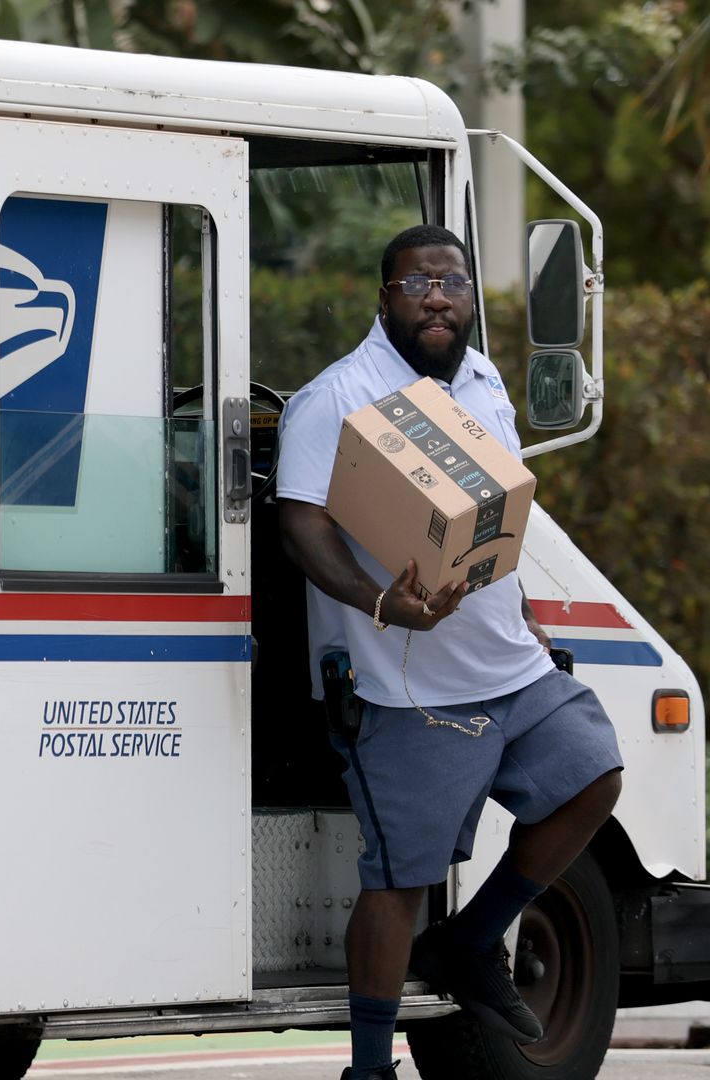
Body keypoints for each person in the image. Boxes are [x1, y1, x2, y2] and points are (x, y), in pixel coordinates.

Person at [274, 224, 625, 1080]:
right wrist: (379, 601)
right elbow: (300, 525)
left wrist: (529, 610)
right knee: (399, 880)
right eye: (418, 283)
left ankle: (469, 940)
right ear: (383, 298)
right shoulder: (338, 397)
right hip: (406, 686)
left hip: (510, 663)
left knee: (595, 773)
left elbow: (496, 523)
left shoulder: (484, 381)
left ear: (469, 299)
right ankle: (369, 1069)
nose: (438, 297)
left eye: (453, 284)